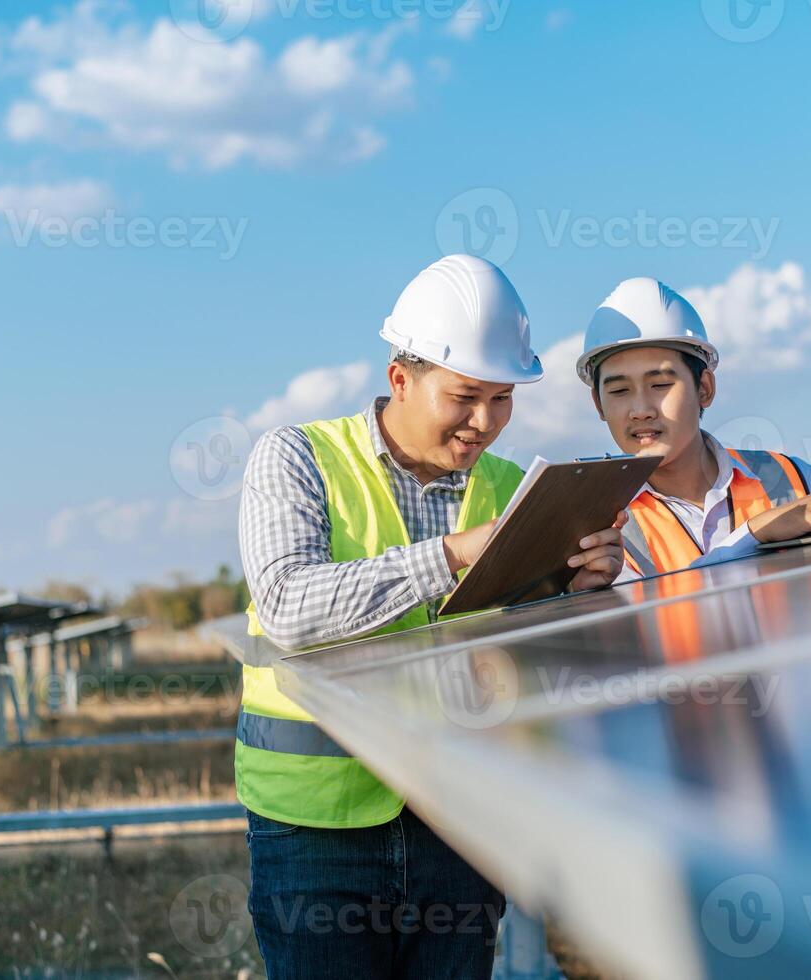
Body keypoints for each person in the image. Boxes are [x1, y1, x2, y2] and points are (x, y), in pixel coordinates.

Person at [237, 254, 625, 980]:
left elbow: (530, 651)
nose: (485, 423)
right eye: (465, 396)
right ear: (400, 379)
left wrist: (582, 588)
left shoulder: (516, 489)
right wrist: (449, 554)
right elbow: (288, 606)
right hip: (316, 830)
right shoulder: (295, 459)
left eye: (503, 399)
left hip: (460, 816)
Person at [577, 277, 811, 577]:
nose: (641, 410)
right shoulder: (596, 528)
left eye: (660, 384)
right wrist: (754, 534)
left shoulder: (788, 478)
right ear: (599, 404)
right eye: (619, 391)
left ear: (704, 388)